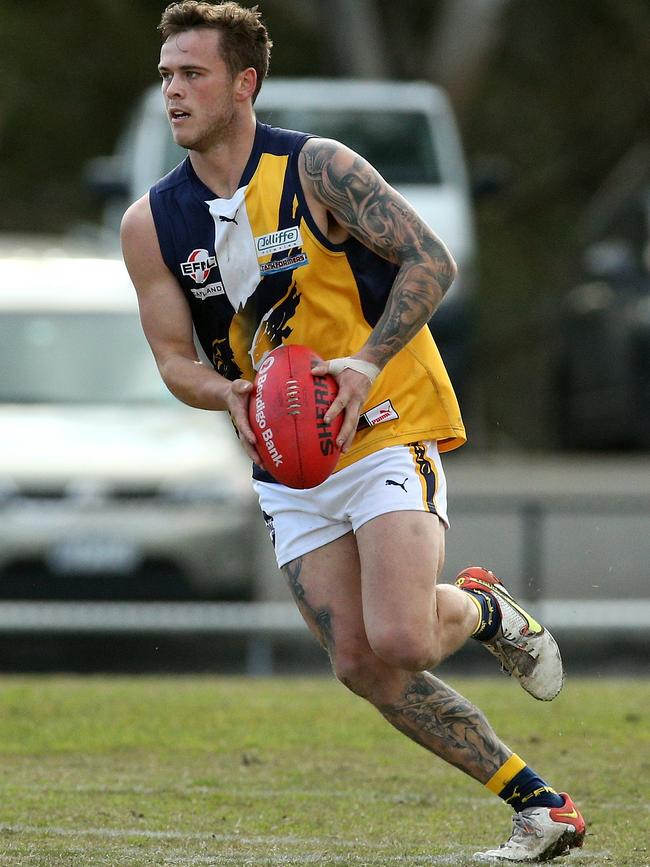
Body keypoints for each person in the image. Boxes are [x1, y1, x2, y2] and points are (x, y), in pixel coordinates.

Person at [120, 2, 586, 861]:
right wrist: (225, 394)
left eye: (192, 74)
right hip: (287, 458)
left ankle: (484, 609)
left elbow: (432, 260)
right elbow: (171, 358)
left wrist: (368, 359)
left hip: (382, 418)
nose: (174, 92)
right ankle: (542, 808)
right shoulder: (151, 223)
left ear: (244, 82)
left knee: (404, 635)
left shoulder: (317, 169)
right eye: (166, 77)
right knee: (362, 664)